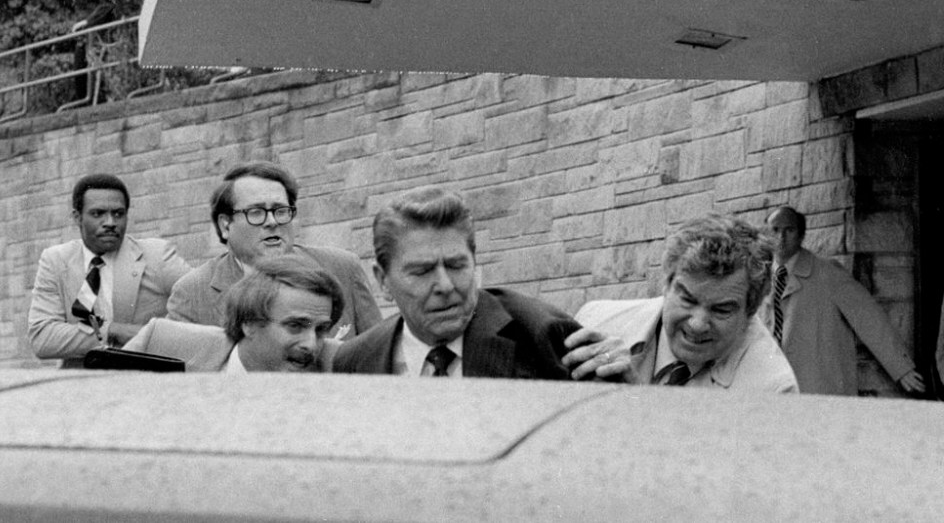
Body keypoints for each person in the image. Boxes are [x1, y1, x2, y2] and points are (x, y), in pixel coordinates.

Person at [332, 186, 580, 379]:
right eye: (422, 271)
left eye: (456, 265)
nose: (445, 286)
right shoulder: (354, 362)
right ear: (383, 281)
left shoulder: (543, 336)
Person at [565, 214, 798, 392]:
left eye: (721, 310)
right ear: (666, 285)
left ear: (750, 311)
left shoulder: (773, 389)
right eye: (687, 299)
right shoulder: (594, 322)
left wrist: (634, 401)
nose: (697, 324)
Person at [167, 162, 381, 339]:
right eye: (256, 212)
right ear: (225, 226)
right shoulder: (192, 294)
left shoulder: (343, 268)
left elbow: (378, 354)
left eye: (280, 210)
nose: (271, 221)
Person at [28, 173, 191, 368]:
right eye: (98, 214)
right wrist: (113, 330)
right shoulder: (56, 261)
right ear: (77, 217)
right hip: (81, 381)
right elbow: (43, 337)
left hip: (145, 379)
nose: (110, 223)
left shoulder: (157, 256)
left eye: (118, 214)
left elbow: (203, 299)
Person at [763, 206, 924, 396]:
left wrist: (900, 367)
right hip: (775, 390)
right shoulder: (758, 278)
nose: (781, 237)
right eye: (775, 230)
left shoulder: (827, 273)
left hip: (818, 390)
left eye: (789, 230)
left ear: (801, 234)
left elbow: (867, 315)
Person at [124, 255, 343, 372]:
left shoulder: (340, 365)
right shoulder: (161, 343)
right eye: (295, 326)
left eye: (321, 330)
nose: (311, 345)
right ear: (249, 323)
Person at [64, 0, 120, 101]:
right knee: (79, 74)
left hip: (98, 36)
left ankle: (102, 104)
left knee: (96, 74)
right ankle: (85, 106)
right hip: (82, 37)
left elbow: (109, 3)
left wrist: (87, 21)